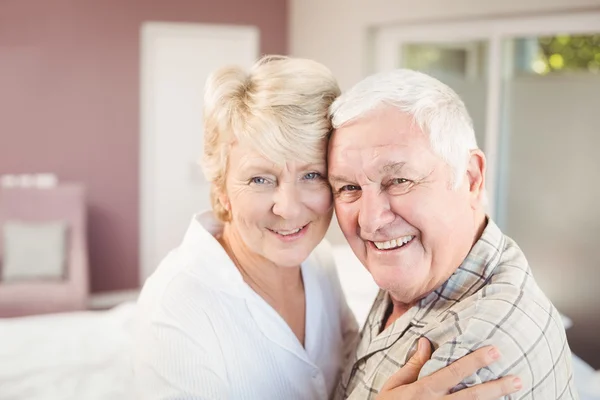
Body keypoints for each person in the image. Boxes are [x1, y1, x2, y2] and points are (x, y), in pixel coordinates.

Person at [133, 55, 521, 400]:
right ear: (221, 189)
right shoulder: (178, 306)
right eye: (259, 179)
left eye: (312, 175)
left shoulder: (316, 260)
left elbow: (350, 364)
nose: (287, 208)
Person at [327, 68, 577, 399]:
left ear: (471, 177)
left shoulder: (471, 354)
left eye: (399, 181)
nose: (371, 221)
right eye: (348, 187)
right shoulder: (426, 266)